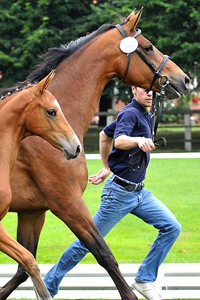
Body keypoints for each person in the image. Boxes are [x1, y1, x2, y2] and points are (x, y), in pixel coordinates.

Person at [44, 86, 181, 300]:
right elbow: (118, 140)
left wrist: (107, 167)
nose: (150, 94)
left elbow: (104, 134)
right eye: (145, 90)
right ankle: (48, 286)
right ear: (133, 89)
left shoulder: (144, 113)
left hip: (139, 194)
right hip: (118, 195)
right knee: (86, 242)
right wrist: (137, 141)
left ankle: (144, 279)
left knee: (172, 227)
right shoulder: (130, 113)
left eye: (152, 91)